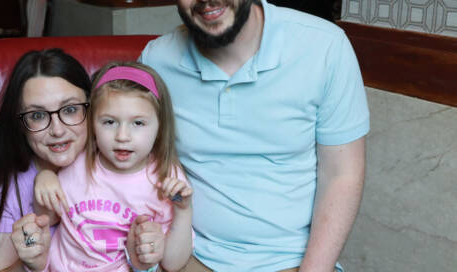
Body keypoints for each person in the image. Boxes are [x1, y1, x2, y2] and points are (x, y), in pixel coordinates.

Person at [139, 0, 370, 271]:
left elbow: (341, 175)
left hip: (292, 261)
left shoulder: (325, 46)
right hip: (187, 256)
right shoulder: (156, 60)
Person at [16, 62, 195, 272]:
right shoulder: (78, 162)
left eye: (138, 123)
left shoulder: (166, 178)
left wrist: (183, 211)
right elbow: (47, 217)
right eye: (109, 122)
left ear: (159, 127)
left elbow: (173, 264)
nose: (122, 137)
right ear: (92, 124)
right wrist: (45, 177)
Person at [0, 48, 92, 272]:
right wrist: (31, 264)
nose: (58, 130)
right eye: (38, 115)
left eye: (70, 109)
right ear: (20, 124)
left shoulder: (117, 161)